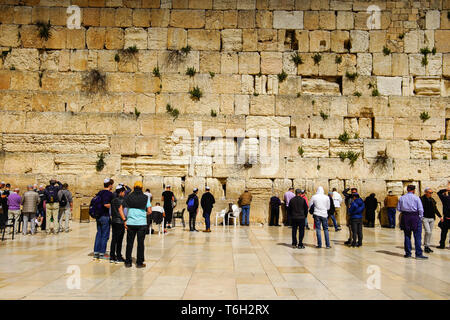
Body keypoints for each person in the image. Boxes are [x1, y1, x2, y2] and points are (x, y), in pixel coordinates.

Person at [120, 181, 152, 268]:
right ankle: (139, 263)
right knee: (140, 243)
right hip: (141, 223)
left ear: (134, 188)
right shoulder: (146, 197)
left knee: (129, 243)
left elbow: (120, 208)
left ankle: (128, 262)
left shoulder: (129, 197)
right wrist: (143, 213)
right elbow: (149, 211)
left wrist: (124, 219)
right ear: (142, 188)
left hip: (130, 223)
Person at [397, 185, 427, 259]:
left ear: (407, 190)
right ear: (414, 190)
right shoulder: (416, 198)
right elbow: (420, 209)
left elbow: (398, 208)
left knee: (407, 235)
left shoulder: (402, 198)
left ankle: (408, 254)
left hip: (405, 217)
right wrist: (420, 217)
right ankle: (418, 254)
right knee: (417, 236)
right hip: (415, 217)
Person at [93, 178, 114, 260]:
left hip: (98, 216)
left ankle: (96, 252)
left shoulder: (100, 192)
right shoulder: (108, 193)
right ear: (109, 185)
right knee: (105, 235)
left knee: (99, 234)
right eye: (112, 184)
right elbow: (106, 204)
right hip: (104, 216)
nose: (112, 186)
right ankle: (102, 253)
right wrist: (113, 205)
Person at [420, 188, 441, 253]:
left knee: (430, 233)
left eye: (431, 192)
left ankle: (427, 246)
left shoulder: (432, 200)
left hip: (432, 218)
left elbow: (435, 209)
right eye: (429, 192)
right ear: (425, 192)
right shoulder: (421, 199)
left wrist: (440, 216)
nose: (430, 194)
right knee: (428, 231)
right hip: (425, 218)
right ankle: (426, 245)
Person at [110, 186, 126, 264]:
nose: (124, 193)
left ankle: (112, 256)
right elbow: (122, 211)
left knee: (114, 239)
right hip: (120, 222)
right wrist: (125, 220)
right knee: (119, 240)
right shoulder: (121, 200)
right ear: (121, 192)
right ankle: (118, 256)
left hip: (113, 221)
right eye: (124, 192)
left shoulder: (113, 200)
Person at [437, 184, 450, 249]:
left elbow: (439, 193)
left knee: (444, 232)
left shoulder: (445, 198)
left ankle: (442, 245)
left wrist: (446, 189)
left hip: (446, 218)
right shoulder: (446, 198)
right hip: (447, 218)